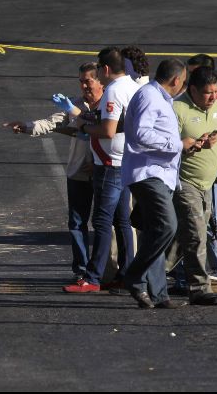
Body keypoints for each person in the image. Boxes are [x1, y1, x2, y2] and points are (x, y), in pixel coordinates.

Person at [3, 63, 103, 282]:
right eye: (81, 81)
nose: (83, 85)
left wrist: (96, 163)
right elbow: (52, 122)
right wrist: (27, 126)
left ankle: (107, 270)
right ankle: (82, 271)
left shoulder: (110, 105)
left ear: (100, 80)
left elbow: (114, 134)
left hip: (106, 173)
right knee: (77, 223)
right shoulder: (75, 104)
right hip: (78, 173)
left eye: (88, 80)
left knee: (106, 224)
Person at [63, 47, 140, 293]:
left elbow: (107, 130)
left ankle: (93, 278)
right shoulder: (134, 87)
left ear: (105, 69)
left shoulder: (114, 91)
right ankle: (127, 274)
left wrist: (84, 129)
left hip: (109, 164)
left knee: (103, 221)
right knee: (122, 222)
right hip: (126, 162)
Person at [121, 58, 188, 309]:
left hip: (163, 174)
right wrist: (178, 145)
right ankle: (134, 276)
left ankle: (158, 295)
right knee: (167, 227)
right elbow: (140, 134)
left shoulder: (162, 99)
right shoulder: (149, 96)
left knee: (155, 231)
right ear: (176, 80)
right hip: (148, 174)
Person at [165, 66, 217, 306]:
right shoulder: (176, 109)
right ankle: (200, 288)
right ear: (192, 89)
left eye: (216, 91)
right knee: (196, 234)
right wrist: (192, 145)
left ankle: (153, 269)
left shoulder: (216, 108)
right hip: (184, 182)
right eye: (207, 93)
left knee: (184, 234)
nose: (213, 97)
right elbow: (165, 147)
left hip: (209, 183)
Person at [187, 54, 217, 281]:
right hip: (201, 168)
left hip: (211, 167)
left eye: (194, 72)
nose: (190, 79)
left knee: (211, 219)